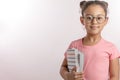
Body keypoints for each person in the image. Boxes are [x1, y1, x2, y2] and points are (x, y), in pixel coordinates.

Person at [59, 0, 120, 80]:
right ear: (82, 20)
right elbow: (63, 67)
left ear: (105, 21)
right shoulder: (74, 45)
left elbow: (115, 76)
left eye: (99, 18)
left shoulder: (111, 48)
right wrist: (68, 76)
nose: (94, 22)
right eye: (89, 18)